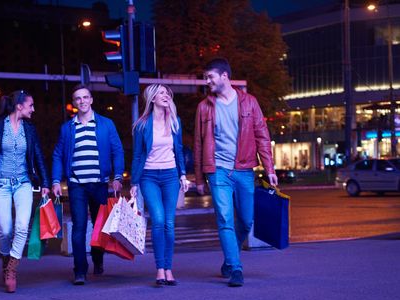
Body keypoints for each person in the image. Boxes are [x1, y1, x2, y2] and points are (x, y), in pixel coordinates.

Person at [194, 58, 278, 287]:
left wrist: (269, 168)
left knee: (247, 220)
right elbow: (199, 144)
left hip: (243, 169)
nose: (207, 81)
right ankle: (236, 267)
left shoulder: (249, 102)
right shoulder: (204, 107)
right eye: (206, 77)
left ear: (224, 76)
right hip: (217, 170)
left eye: (210, 76)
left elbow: (262, 135)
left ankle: (229, 260)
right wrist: (200, 178)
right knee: (224, 218)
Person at [0, 90, 50, 293]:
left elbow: (38, 155)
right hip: (0, 184)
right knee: (5, 230)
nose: (34, 109)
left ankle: (11, 269)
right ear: (19, 106)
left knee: (22, 226)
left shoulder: (30, 129)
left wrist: (46, 182)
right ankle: (6, 261)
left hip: (23, 183)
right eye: (31, 105)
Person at [52, 84, 124, 285]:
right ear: (74, 103)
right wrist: (56, 180)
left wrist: (117, 177)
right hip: (77, 185)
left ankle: (98, 260)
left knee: (99, 227)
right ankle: (80, 270)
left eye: (85, 97)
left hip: (100, 184)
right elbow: (58, 154)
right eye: (77, 98)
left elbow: (117, 150)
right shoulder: (67, 128)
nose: (82, 101)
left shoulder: (106, 124)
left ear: (91, 100)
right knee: (79, 226)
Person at [130, 84, 189, 286]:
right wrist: (134, 182)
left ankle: (169, 268)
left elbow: (179, 150)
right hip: (149, 177)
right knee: (158, 220)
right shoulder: (142, 125)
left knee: (169, 224)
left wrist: (183, 175)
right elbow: (137, 155)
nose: (166, 96)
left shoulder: (175, 121)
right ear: (152, 98)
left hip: (171, 176)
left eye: (167, 93)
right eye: (161, 93)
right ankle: (159, 269)